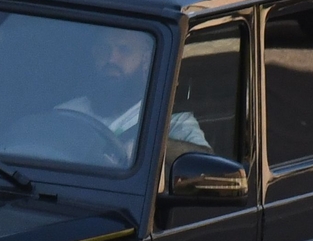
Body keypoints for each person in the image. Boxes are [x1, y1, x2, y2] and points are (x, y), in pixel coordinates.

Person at [57, 29, 203, 151]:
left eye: (124, 50)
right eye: (104, 49)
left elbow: (203, 161)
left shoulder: (172, 119)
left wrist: (148, 148)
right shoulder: (66, 114)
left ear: (146, 60)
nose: (112, 59)